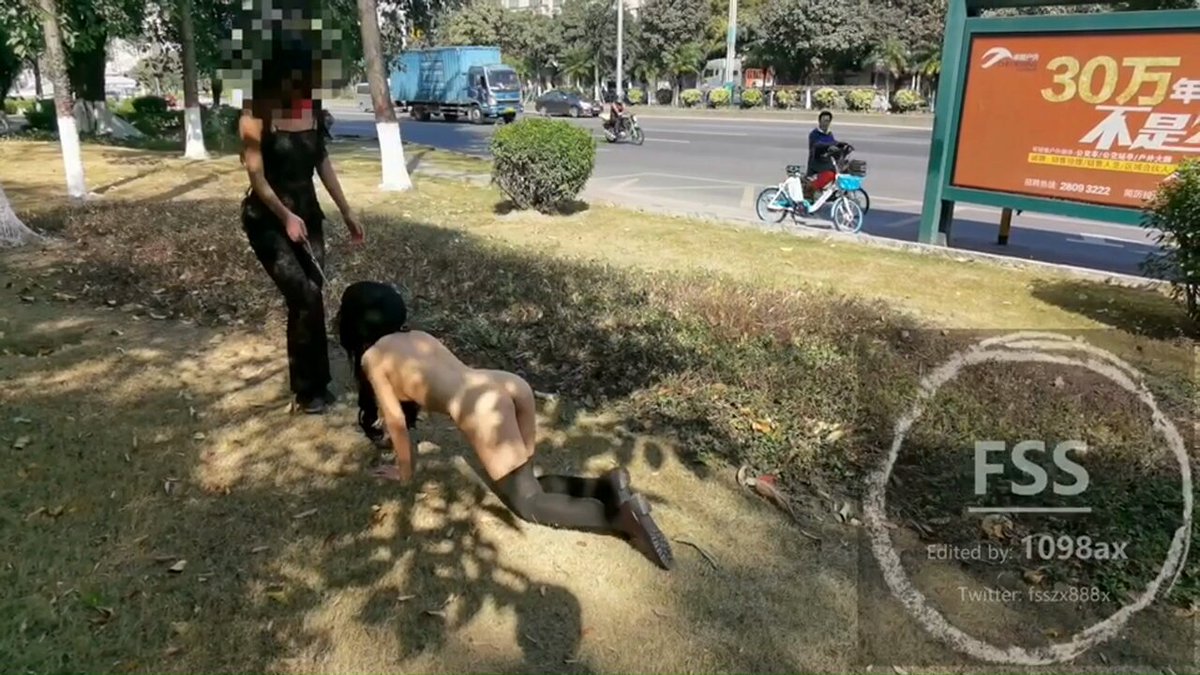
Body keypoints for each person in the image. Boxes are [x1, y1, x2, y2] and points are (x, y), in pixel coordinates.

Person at [335, 281, 675, 570]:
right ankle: (605, 488)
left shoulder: (373, 357)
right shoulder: (419, 336)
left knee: (527, 503)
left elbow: (394, 418)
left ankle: (619, 517)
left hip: (481, 406)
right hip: (507, 384)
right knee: (527, 481)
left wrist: (404, 471)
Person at [239, 31, 364, 415]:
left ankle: (318, 385)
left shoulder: (310, 107)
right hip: (267, 219)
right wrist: (285, 216)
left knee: (314, 295)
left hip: (308, 215)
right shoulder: (255, 112)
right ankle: (306, 391)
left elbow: (321, 159)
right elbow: (255, 177)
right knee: (303, 296)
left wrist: (345, 209)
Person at [806, 110, 840, 195]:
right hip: (816, 162)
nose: (826, 123)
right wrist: (830, 145)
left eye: (828, 121)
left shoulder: (829, 134)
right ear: (819, 121)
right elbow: (818, 145)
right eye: (824, 121)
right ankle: (813, 190)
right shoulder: (814, 134)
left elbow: (833, 144)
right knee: (830, 173)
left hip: (826, 161)